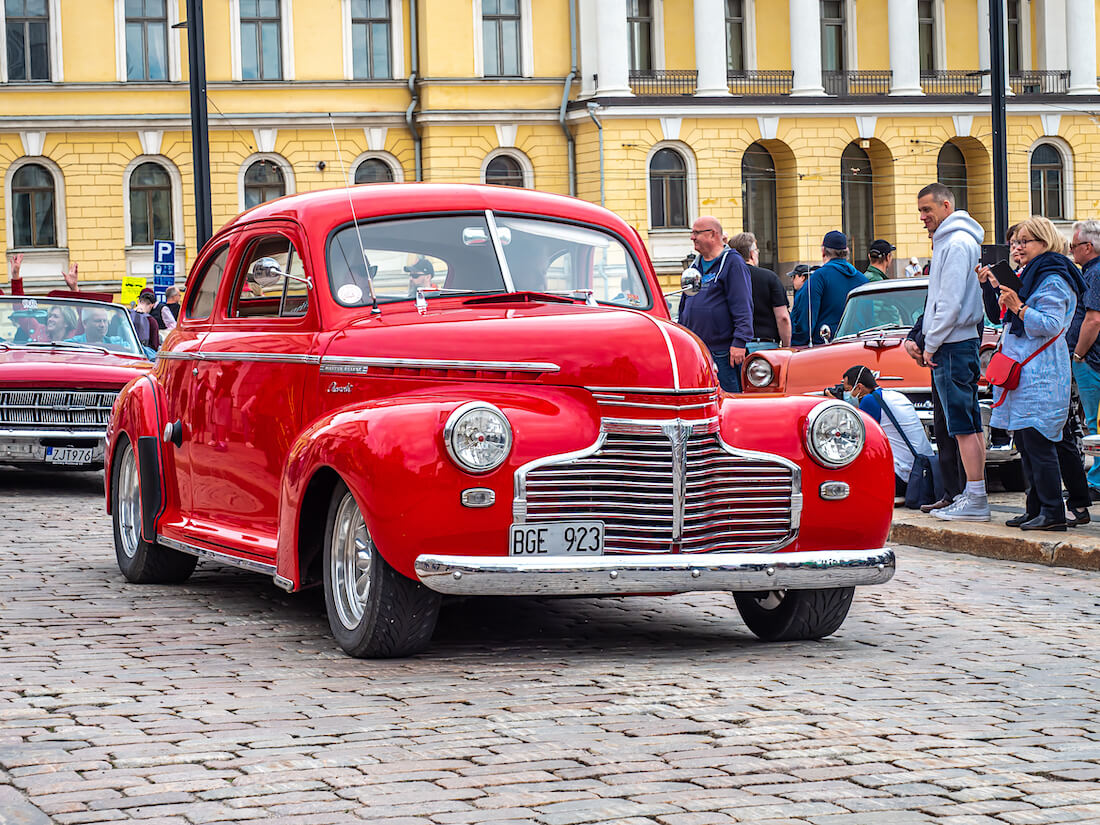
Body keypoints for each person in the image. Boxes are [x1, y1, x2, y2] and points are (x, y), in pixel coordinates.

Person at [989, 216, 1085, 530]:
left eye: (1024, 241)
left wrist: (1018, 306)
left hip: (1041, 373)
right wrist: (1000, 294)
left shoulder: (1054, 276)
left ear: (1044, 242)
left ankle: (1053, 512)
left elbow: (1050, 324)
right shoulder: (1032, 274)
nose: (1017, 247)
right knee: (1027, 444)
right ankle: (1035, 508)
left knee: (1039, 442)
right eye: (1014, 242)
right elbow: (1006, 317)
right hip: (1026, 372)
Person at [916, 182, 989, 522]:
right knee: (966, 423)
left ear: (946, 206)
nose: (922, 217)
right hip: (955, 342)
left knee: (963, 425)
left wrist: (930, 342)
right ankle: (972, 495)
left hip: (954, 344)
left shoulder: (956, 243)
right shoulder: (953, 241)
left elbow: (949, 301)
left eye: (927, 210)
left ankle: (975, 498)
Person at [678, 216, 753, 392]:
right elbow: (684, 302)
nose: (692, 237)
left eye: (696, 233)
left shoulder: (732, 263)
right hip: (697, 350)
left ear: (712, 235)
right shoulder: (695, 266)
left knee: (726, 399)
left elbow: (742, 304)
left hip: (723, 352)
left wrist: (739, 342)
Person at [843, 364, 933, 498]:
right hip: (924, 472)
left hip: (903, 477)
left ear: (859, 387)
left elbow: (857, 439)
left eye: (848, 390)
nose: (847, 395)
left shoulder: (869, 400)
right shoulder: (895, 396)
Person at [1068, 219, 1100, 499]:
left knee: (1095, 422)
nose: (1071, 251)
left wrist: (1078, 353)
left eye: (1074, 246)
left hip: (1091, 357)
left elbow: (1093, 320)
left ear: (1088, 247)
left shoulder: (1093, 273)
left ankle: (1096, 480)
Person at [728, 232, 791, 350]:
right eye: (757, 250)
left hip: (735, 346)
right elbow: (783, 317)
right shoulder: (770, 277)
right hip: (766, 344)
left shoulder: (728, 279)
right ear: (752, 254)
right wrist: (786, 346)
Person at [808, 231, 868, 344]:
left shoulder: (819, 277)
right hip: (857, 345)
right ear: (847, 252)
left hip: (826, 346)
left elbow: (806, 317)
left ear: (823, 252)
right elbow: (868, 318)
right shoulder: (863, 280)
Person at [789, 264, 813, 347]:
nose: (792, 280)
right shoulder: (803, 292)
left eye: (794, 277)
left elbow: (802, 320)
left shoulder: (804, 293)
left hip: (801, 342)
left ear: (802, 277)